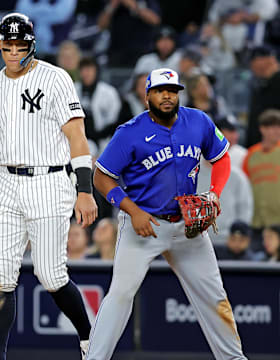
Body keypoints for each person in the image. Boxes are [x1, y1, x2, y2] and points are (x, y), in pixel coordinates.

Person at [85, 68, 247, 360]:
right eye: (160, 90)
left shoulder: (198, 121)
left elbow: (221, 157)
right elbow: (102, 177)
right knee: (121, 294)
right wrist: (132, 211)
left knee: (215, 297)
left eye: (172, 90)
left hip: (187, 227)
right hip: (143, 225)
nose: (167, 96)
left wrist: (213, 193)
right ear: (147, 96)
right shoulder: (129, 132)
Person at [0, 13, 98, 360]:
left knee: (51, 275)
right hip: (6, 180)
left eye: (19, 45)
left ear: (31, 44)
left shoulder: (55, 78)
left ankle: (88, 339)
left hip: (51, 180)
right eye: (7, 46)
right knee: (0, 278)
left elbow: (76, 136)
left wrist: (85, 189)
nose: (13, 52)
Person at [243, 109, 280, 251]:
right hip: (257, 222)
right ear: (262, 129)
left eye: (279, 127)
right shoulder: (251, 155)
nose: (277, 131)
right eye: (273, 127)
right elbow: (245, 185)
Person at [197, 157, 253, 245]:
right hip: (196, 243)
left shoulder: (237, 176)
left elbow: (245, 208)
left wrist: (238, 237)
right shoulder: (190, 175)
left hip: (229, 243)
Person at [246, 45, 280, 147]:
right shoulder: (261, 85)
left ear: (266, 59)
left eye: (253, 61)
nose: (251, 66)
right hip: (260, 147)